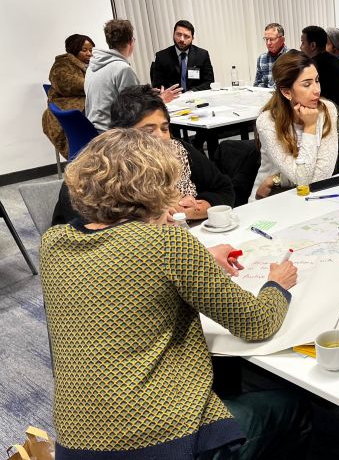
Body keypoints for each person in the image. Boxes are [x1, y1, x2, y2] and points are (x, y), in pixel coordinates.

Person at [41, 128, 310, 459]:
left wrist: (183, 250)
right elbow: (256, 322)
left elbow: (119, 271)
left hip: (76, 445)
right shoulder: (169, 245)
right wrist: (276, 285)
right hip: (164, 443)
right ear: (157, 187)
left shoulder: (52, 244)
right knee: (291, 407)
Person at [52, 85, 235, 224]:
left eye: (165, 128)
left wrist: (197, 209)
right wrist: (158, 214)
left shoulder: (179, 150)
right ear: (121, 134)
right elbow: (92, 234)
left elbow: (224, 189)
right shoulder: (98, 174)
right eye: (148, 131)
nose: (161, 138)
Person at [251, 51, 339, 201]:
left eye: (317, 80)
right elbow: (303, 181)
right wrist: (310, 127)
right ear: (286, 92)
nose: (317, 90)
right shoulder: (268, 121)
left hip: (312, 197)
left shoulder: (327, 110)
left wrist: (276, 179)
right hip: (272, 199)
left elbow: (320, 177)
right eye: (307, 84)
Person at [85, 19, 180, 132]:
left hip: (94, 130)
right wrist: (160, 99)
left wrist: (147, 94)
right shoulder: (122, 69)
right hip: (114, 134)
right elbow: (136, 110)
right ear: (131, 42)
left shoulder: (92, 65)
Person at [42, 34, 94, 159]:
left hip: (81, 111)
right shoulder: (62, 65)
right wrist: (97, 82)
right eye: (84, 50)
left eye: (91, 50)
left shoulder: (87, 65)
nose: (89, 54)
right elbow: (67, 84)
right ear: (74, 49)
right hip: (71, 113)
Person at [299, 26, 339, 119]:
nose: (300, 47)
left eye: (303, 43)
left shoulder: (314, 67)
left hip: (335, 118)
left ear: (312, 46)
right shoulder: (333, 59)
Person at [150, 20, 214, 92]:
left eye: (186, 36)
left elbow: (209, 82)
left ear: (192, 38)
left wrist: (192, 92)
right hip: (172, 99)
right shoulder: (161, 57)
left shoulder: (202, 55)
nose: (181, 39)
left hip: (196, 97)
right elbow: (158, 86)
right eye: (178, 34)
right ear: (173, 34)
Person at [254, 23, 288, 88]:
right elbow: (258, 84)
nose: (268, 43)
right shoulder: (261, 58)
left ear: (282, 39)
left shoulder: (292, 56)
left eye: (272, 39)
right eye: (266, 39)